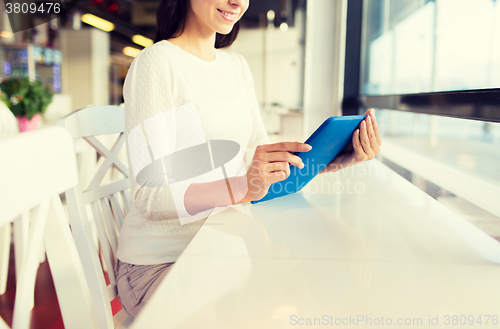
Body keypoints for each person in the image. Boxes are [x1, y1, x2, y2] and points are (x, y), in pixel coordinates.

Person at [115, 0, 382, 319]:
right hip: (163, 265)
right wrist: (243, 187)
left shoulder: (236, 67)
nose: (238, 2)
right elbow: (150, 197)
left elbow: (264, 173)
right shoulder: (158, 63)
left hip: (225, 252)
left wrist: (339, 160)